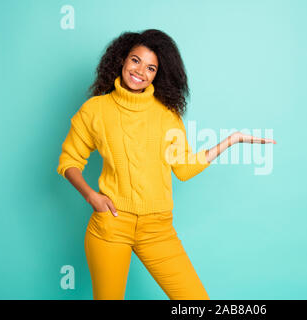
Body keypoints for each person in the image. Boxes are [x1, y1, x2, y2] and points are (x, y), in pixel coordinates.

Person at [56, 29, 276, 300]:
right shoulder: (95, 110)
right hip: (110, 226)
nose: (140, 71)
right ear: (122, 59)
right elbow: (70, 160)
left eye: (151, 68)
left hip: (157, 228)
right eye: (135, 60)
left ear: (158, 74)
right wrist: (92, 197)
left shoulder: (167, 115)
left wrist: (230, 141)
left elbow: (183, 169)